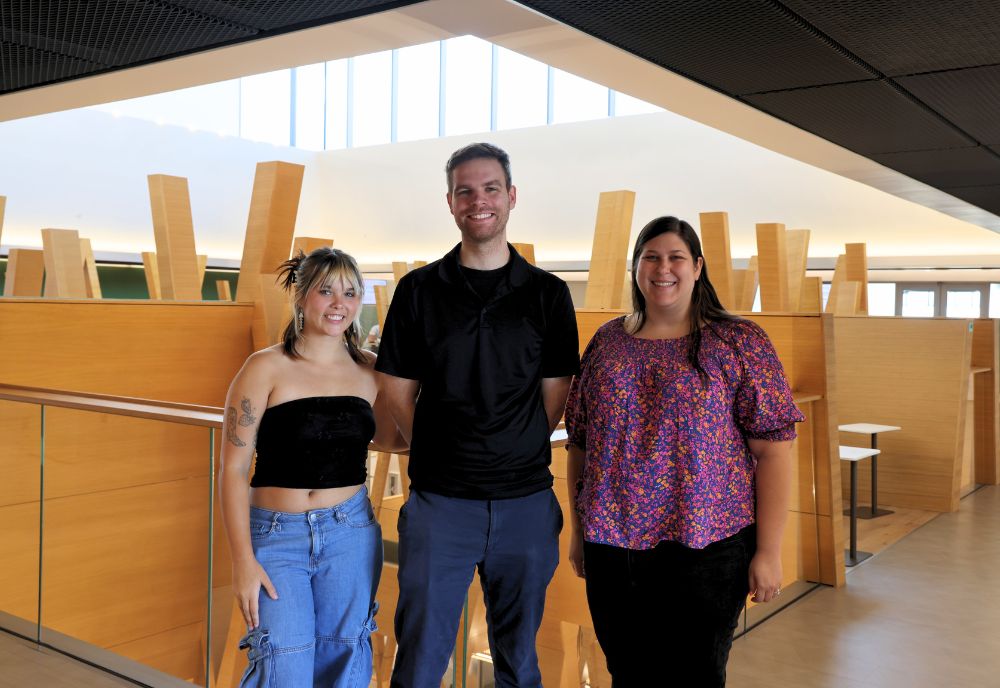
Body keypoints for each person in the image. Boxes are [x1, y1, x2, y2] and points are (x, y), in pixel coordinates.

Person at [564, 216, 804, 687]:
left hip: (707, 548)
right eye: (650, 257)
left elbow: (775, 450)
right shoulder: (607, 343)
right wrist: (578, 532)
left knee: (695, 675)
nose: (663, 268)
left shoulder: (738, 342)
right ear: (636, 268)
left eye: (675, 257)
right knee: (627, 673)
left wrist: (769, 552)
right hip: (612, 546)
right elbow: (581, 444)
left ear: (697, 266)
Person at [376, 142, 580, 687]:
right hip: (440, 505)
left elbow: (555, 394)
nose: (479, 200)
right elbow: (396, 389)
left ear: (511, 197)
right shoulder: (417, 291)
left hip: (525, 505)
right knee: (420, 657)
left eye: (490, 188)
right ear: (450, 202)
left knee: (519, 660)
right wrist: (436, 445)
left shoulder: (549, 295)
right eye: (465, 191)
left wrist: (514, 443)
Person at [219, 247, 404, 688]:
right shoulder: (264, 367)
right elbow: (231, 469)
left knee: (345, 662)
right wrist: (242, 560)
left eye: (350, 292)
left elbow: (395, 441)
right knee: (284, 666)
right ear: (301, 297)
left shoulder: (371, 371)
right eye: (326, 291)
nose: (339, 303)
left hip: (350, 534)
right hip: (276, 537)